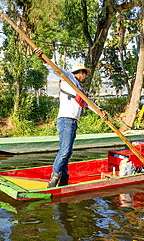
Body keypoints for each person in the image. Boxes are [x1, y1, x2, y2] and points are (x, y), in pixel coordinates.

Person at [34, 48, 108, 188]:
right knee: (65, 151)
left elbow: (88, 103)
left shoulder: (79, 88)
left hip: (73, 122)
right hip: (66, 120)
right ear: (80, 73)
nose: (85, 77)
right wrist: (43, 58)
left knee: (67, 152)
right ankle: (53, 179)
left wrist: (101, 112)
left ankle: (64, 180)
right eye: (84, 74)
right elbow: (55, 69)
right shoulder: (68, 78)